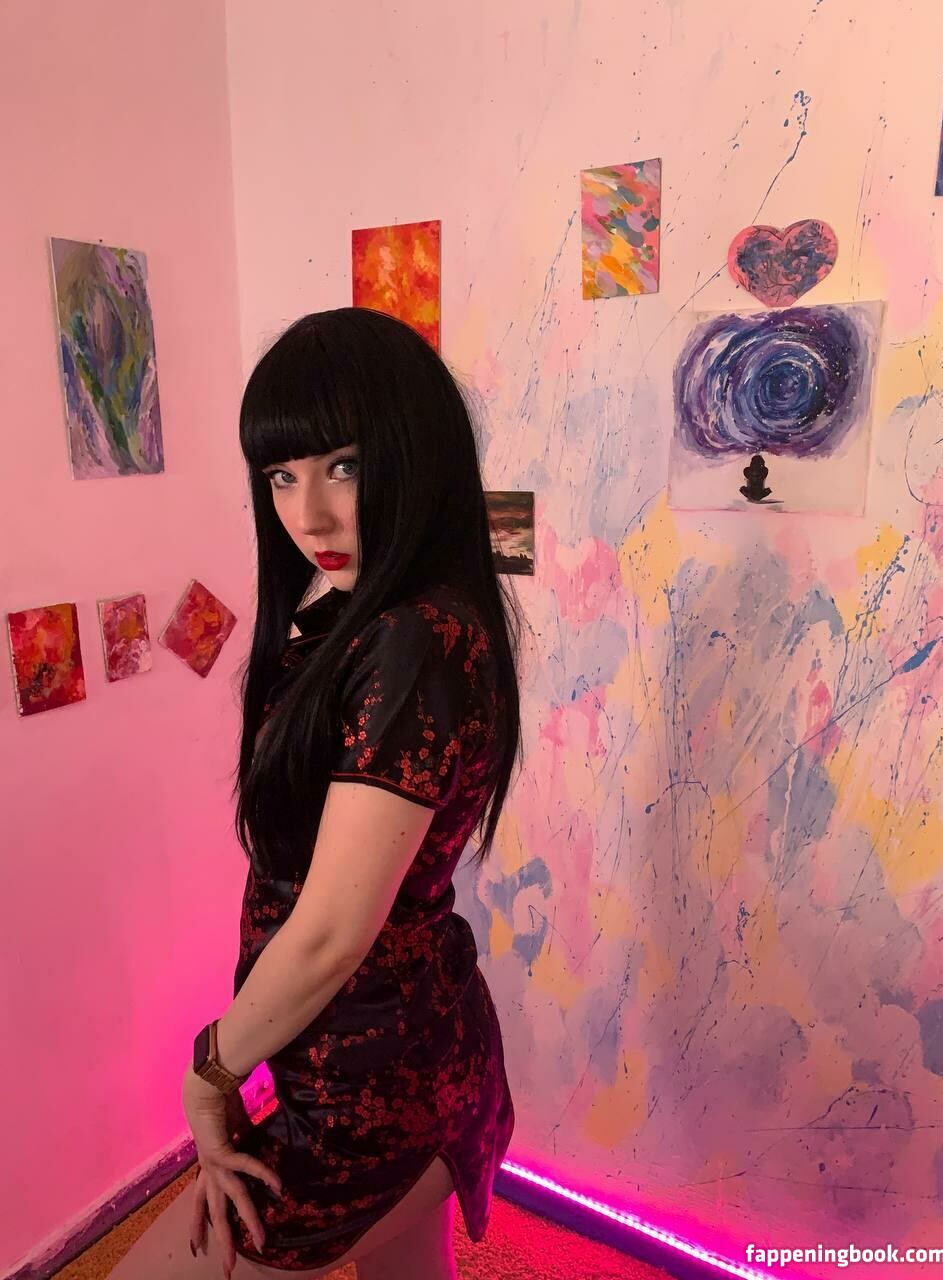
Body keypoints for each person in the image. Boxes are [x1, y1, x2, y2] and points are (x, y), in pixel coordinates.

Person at [107, 307, 522, 1280]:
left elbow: (333, 929)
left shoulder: (415, 638)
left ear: (414, 455)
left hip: (373, 1087)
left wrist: (211, 1070)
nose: (310, 515)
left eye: (344, 466)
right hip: (390, 1045)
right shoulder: (386, 614)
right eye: (282, 476)